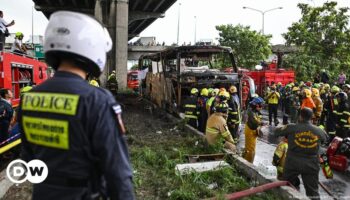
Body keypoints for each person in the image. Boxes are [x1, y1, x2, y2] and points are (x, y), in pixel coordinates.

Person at [18, 11, 134, 200]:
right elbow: (118, 173)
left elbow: (28, 157)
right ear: (92, 47)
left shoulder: (29, 98)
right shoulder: (97, 100)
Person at [274, 108, 327, 200]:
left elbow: (276, 132)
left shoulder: (291, 127)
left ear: (300, 116)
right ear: (311, 117)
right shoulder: (319, 131)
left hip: (292, 162)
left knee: (286, 185)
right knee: (313, 191)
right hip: (311, 164)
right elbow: (325, 139)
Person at [243, 96, 264, 163]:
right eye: (260, 106)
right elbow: (255, 122)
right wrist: (261, 123)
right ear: (256, 105)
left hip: (252, 131)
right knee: (250, 149)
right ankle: (248, 163)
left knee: (251, 148)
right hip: (250, 131)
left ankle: (246, 160)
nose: (261, 107)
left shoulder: (255, 111)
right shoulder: (251, 112)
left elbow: (259, 119)